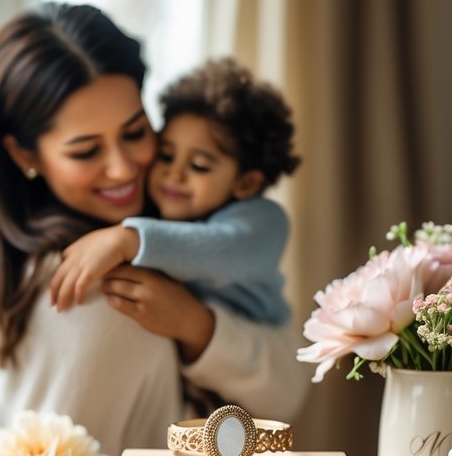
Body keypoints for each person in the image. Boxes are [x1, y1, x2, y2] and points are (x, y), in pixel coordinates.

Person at [0, 2, 308, 456]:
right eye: (85, 151)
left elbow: (286, 390)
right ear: (25, 153)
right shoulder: (89, 284)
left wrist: (194, 324)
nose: (124, 168)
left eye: (135, 132)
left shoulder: (189, 223)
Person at [48, 57, 300, 327]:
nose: (174, 175)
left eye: (198, 166)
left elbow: (213, 246)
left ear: (246, 183)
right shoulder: (158, 213)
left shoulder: (266, 221)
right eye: (167, 156)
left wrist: (127, 240)